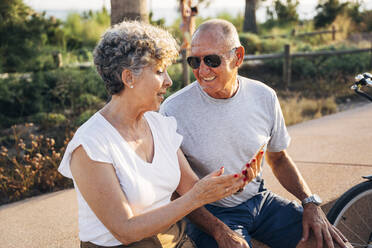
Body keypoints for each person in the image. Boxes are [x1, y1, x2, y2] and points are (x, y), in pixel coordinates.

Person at [160, 19, 352, 248]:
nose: (202, 70)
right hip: (210, 213)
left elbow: (278, 159)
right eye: (194, 61)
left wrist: (310, 203)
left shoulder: (264, 96)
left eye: (211, 60)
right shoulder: (173, 110)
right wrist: (219, 231)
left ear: (238, 57)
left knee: (331, 243)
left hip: (261, 202)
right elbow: (176, 191)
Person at [58, 20, 249, 248]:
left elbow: (191, 187)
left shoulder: (160, 125)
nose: (168, 81)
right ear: (128, 78)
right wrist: (197, 196)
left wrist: (235, 180)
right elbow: (125, 231)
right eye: (159, 71)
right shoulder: (90, 143)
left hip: (176, 241)